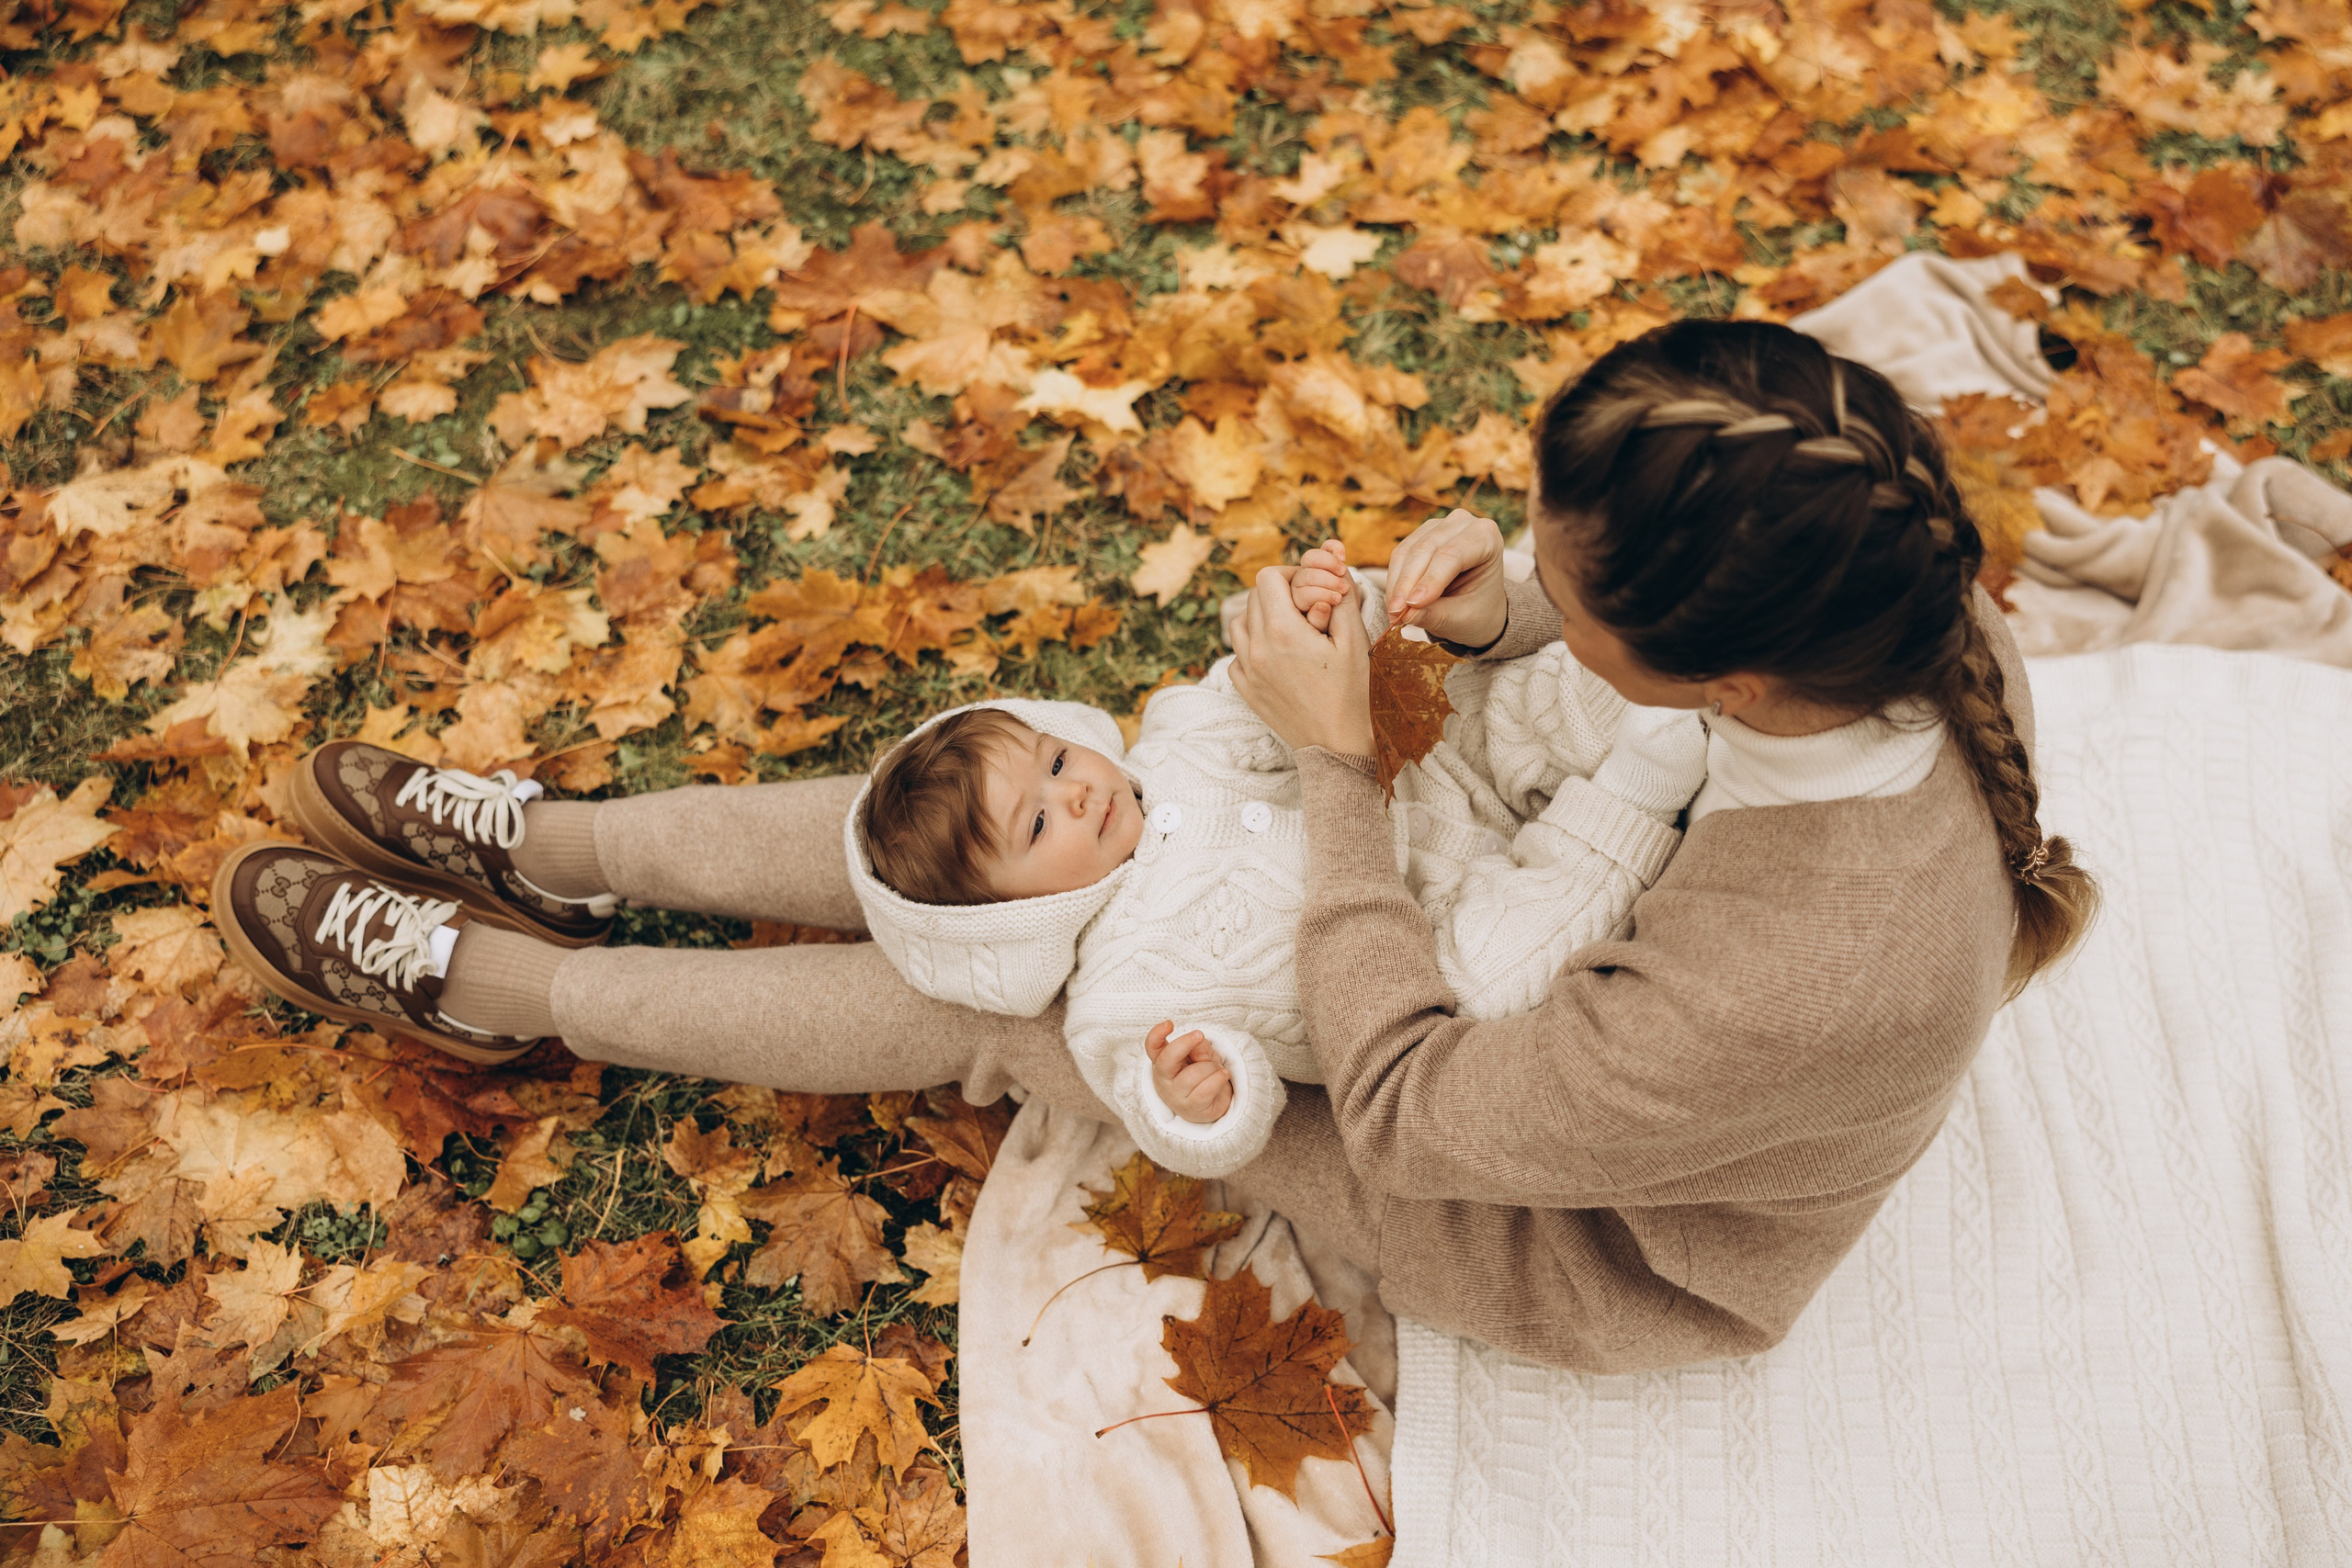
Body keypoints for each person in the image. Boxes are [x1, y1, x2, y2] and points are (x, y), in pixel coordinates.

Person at [211, 318, 2096, 1373]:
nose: (1517, 546)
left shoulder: (1801, 964)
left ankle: (514, 981)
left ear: (1732, 671)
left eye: (1561, 559)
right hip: (1493, 911)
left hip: (1565, 1209)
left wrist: (1341, 767)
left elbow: (1424, 1107)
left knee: (1042, 991)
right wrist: (1499, 616)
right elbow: (1596, 693)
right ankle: (567, 839)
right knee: (1048, 808)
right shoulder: (1880, 587)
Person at [834, 564, 1704, 1178]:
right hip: (1418, 948)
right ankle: (1633, 797)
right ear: (1010, 914)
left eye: (1057, 762)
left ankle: (1626, 681)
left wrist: (1321, 611)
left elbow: (1258, 687)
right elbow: (1171, 1115)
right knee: (1499, 971)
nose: (1075, 795)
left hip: (1434, 779)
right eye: (1035, 823)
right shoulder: (1122, 993)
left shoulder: (1174, 740)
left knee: (1490, 704)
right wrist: (1198, 1100)